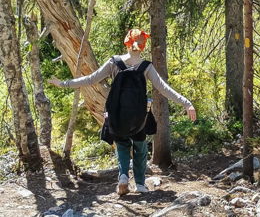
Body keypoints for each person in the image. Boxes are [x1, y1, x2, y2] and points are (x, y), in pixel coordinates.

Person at [48, 29, 196, 195]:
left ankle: (123, 177)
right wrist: (186, 103)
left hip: (116, 114)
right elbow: (163, 88)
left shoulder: (114, 62)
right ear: (142, 46)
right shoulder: (146, 67)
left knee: (122, 147)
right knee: (140, 149)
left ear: (127, 43)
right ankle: (140, 184)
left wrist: (64, 83)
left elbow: (91, 79)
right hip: (139, 115)